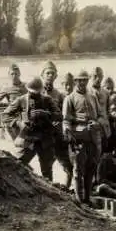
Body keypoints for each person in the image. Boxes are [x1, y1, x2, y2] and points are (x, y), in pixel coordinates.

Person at [2, 76, 60, 181]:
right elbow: (5, 115)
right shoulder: (21, 100)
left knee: (47, 170)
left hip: (45, 139)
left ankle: (49, 193)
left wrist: (45, 114)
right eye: (31, 92)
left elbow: (59, 116)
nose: (34, 94)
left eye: (36, 92)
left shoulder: (47, 100)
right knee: (18, 164)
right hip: (28, 138)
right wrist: (19, 123)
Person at [63, 70, 104, 205]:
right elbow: (66, 120)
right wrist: (69, 133)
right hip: (78, 138)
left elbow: (101, 115)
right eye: (79, 80)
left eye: (84, 80)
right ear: (75, 81)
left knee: (91, 168)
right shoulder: (69, 99)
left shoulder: (93, 97)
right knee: (78, 169)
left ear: (88, 81)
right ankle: (79, 199)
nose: (82, 83)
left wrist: (97, 123)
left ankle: (87, 197)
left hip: (93, 137)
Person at [41, 61, 74, 189]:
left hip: (55, 133)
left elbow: (63, 115)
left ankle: (65, 188)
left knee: (66, 163)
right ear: (42, 74)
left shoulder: (59, 95)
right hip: (39, 134)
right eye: (47, 73)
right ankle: (45, 187)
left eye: (52, 73)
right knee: (44, 164)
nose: (50, 75)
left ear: (55, 77)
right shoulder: (35, 92)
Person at [88, 67, 112, 154]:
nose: (98, 79)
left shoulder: (106, 92)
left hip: (105, 129)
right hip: (93, 129)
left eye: (100, 76)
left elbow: (109, 111)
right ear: (90, 76)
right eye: (95, 76)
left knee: (105, 154)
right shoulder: (87, 92)